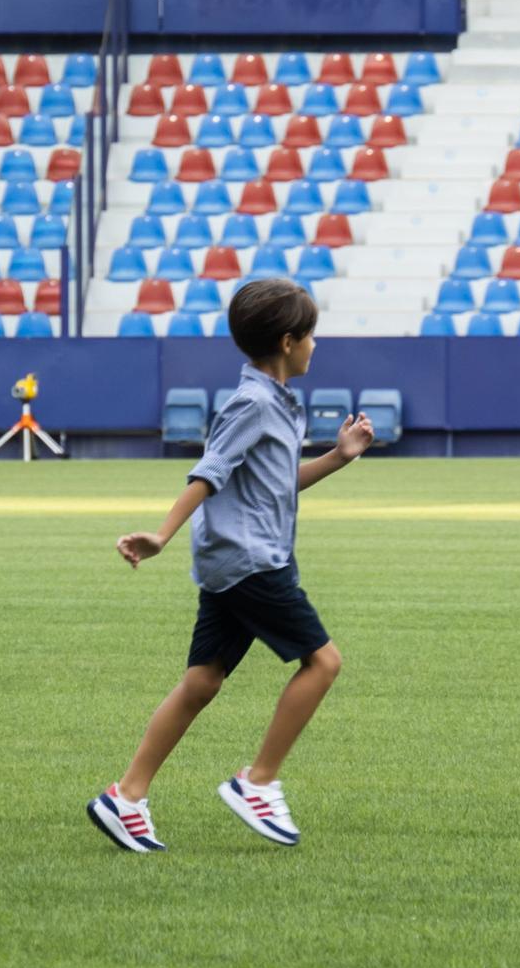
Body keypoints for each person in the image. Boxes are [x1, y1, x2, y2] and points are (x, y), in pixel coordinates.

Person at [89, 279, 372, 853]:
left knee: (203, 680)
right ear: (289, 341)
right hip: (252, 563)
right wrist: (161, 535)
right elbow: (209, 471)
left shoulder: (275, 402)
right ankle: (258, 781)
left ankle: (126, 796)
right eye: (311, 335)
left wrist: (338, 458)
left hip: (235, 560)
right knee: (322, 664)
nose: (316, 344)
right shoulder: (252, 403)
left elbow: (275, 485)